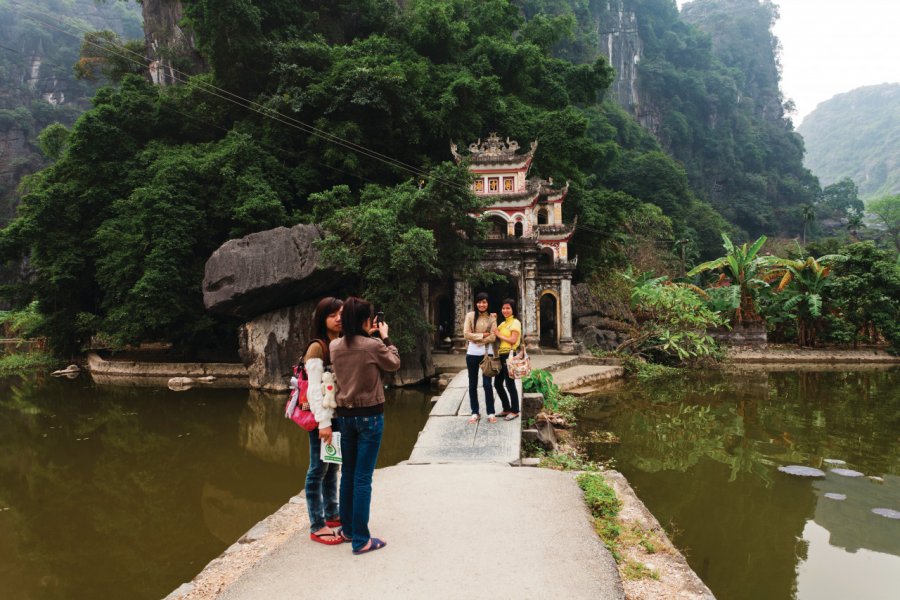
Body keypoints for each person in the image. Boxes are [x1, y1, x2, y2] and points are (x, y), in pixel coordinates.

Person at [330, 297, 401, 555]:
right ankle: (361, 539)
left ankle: (348, 529)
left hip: (345, 416)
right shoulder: (373, 345)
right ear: (364, 320)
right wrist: (385, 337)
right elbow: (394, 363)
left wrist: (369, 335)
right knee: (362, 478)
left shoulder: (335, 345)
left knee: (348, 473)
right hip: (370, 416)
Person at [302, 296, 344, 545]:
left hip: (338, 414)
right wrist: (323, 423)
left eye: (341, 313)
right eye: (332, 315)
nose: (339, 318)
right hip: (324, 417)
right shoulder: (317, 347)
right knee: (317, 469)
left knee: (333, 464)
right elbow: (314, 391)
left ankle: (332, 514)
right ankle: (317, 524)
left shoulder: (339, 342)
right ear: (322, 319)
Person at [463, 292, 497, 424]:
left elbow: (493, 336)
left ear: (488, 303)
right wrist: (482, 335)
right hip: (471, 354)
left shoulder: (492, 318)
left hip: (486, 354)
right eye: (479, 302)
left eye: (484, 302)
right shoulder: (470, 316)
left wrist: (476, 338)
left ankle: (491, 412)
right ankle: (475, 412)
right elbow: (466, 334)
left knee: (487, 385)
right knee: (472, 384)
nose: (481, 305)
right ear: (476, 303)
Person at [491, 298, 522, 421]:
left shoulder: (515, 322)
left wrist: (499, 335)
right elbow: (493, 333)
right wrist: (493, 318)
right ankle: (506, 408)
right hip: (500, 356)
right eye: (503, 308)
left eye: (508, 308)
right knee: (497, 384)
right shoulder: (503, 323)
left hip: (510, 355)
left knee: (509, 384)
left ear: (513, 309)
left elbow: (513, 340)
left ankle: (515, 410)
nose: (505, 310)